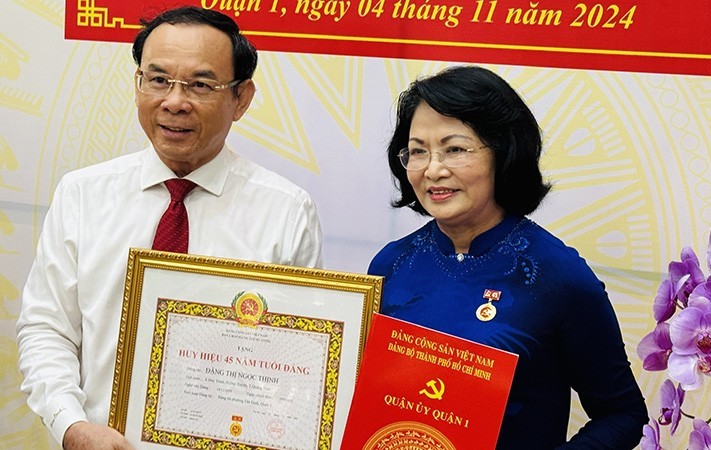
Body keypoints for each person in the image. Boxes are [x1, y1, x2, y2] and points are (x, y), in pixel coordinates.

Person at [16, 6, 323, 449]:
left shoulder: (286, 211)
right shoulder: (82, 194)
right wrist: (71, 425)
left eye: (200, 84)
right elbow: (47, 328)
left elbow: (298, 361)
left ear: (241, 99)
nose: (174, 101)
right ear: (138, 83)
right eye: (158, 79)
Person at [368, 65, 648, 449]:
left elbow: (623, 415)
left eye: (455, 149)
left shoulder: (557, 275)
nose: (433, 169)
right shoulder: (389, 265)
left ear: (502, 152)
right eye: (418, 152)